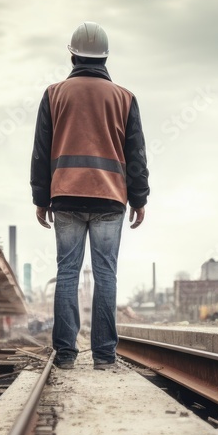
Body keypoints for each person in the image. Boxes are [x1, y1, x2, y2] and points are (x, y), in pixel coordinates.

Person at [31, 21, 150, 370]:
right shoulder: (124, 98)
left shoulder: (54, 94)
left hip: (65, 195)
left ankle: (66, 355)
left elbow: (41, 151)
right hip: (110, 198)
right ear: (105, 56)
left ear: (72, 54)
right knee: (106, 275)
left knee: (67, 273)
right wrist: (139, 199)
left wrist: (41, 198)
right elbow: (136, 155)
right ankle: (104, 356)